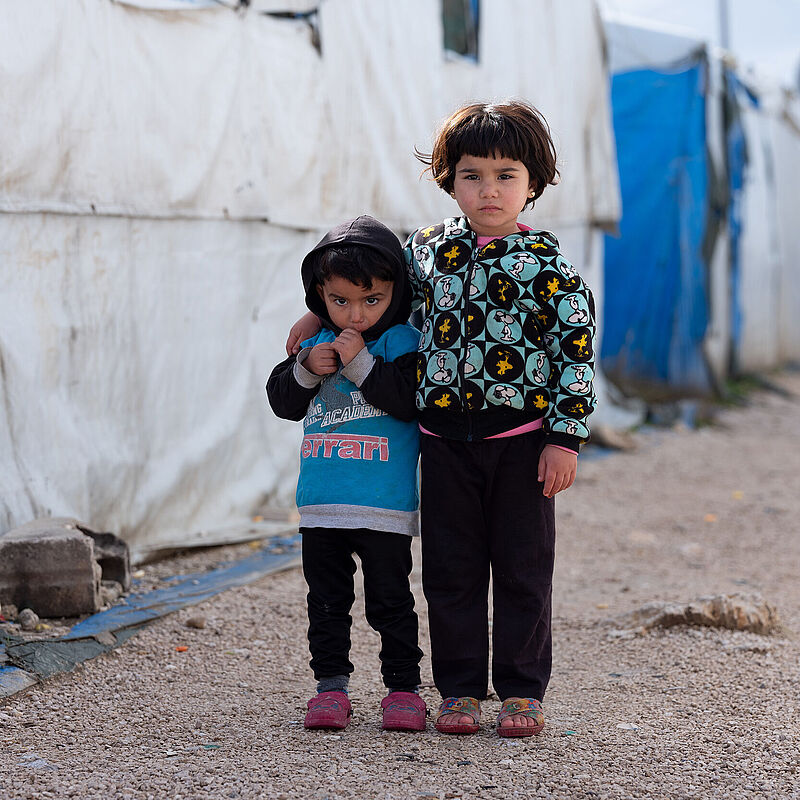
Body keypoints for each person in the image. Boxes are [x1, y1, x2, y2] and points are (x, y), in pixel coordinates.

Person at [286, 101, 596, 738]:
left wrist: (564, 438)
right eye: (472, 174)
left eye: (506, 175)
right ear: (448, 179)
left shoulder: (551, 270)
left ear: (533, 182)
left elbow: (575, 356)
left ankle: (519, 689)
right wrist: (319, 319)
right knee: (450, 570)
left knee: (521, 567)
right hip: (443, 442)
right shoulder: (424, 255)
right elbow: (370, 292)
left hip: (520, 441)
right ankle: (458, 689)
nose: (489, 190)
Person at [267, 215, 426, 732]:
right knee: (327, 603)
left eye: (371, 300)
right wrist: (308, 368)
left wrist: (360, 366)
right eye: (340, 301)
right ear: (319, 295)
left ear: (395, 292)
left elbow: (409, 402)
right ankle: (330, 689)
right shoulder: (317, 343)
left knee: (391, 602)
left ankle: (403, 689)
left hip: (383, 505)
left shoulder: (402, 340)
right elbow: (282, 402)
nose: (355, 314)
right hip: (323, 503)